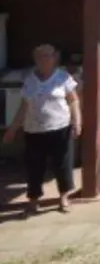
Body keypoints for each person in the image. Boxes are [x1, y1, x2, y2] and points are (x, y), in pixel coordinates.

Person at [1, 44, 81, 215]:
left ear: (54, 58)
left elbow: (74, 100)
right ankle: (33, 200)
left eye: (48, 56)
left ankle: (63, 198)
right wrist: (13, 129)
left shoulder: (63, 78)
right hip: (34, 130)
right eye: (40, 56)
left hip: (60, 127)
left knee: (62, 164)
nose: (44, 59)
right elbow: (24, 107)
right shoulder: (30, 80)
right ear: (35, 59)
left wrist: (77, 122)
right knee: (34, 166)